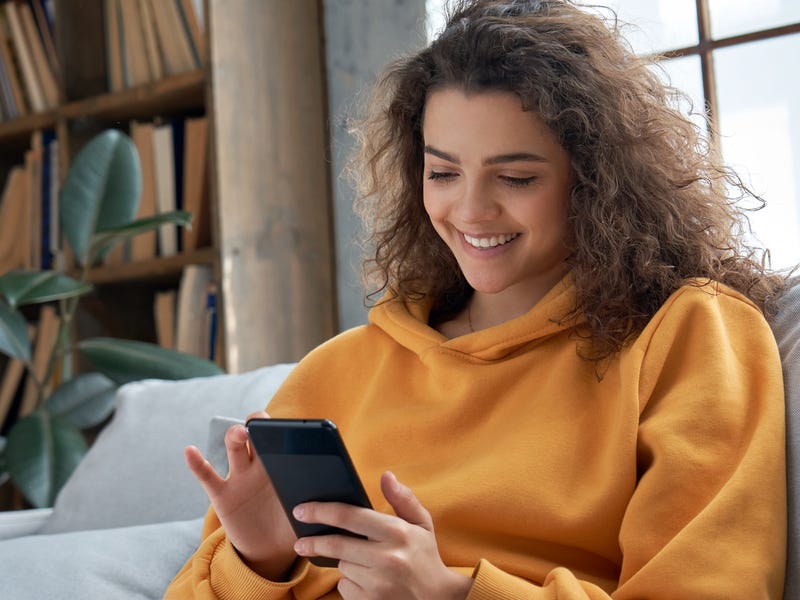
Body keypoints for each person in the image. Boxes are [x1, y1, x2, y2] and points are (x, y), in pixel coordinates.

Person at [165, 0, 789, 598]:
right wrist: (258, 562)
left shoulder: (686, 335)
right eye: (442, 173)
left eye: (516, 177)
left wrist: (454, 593)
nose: (470, 211)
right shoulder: (336, 370)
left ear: (596, 181)